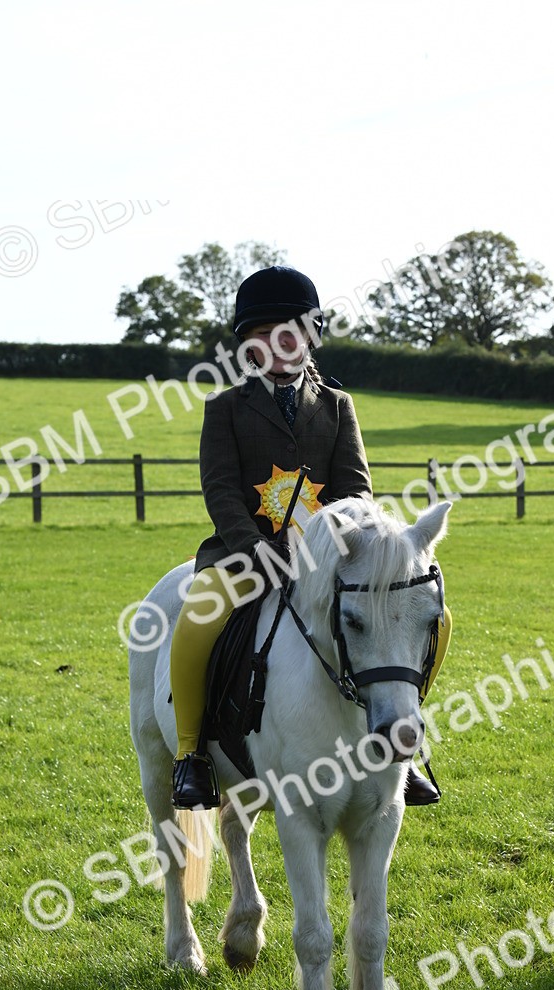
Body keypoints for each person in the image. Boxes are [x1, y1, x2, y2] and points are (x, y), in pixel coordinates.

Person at [169, 265, 450, 809]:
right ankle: (192, 757)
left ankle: (403, 739)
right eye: (263, 336)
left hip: (332, 555)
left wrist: (341, 541)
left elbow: (355, 486)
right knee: (199, 615)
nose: (279, 345)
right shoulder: (224, 409)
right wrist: (256, 547)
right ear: (248, 345)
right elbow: (221, 490)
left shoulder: (339, 407)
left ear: (310, 334)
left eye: (290, 332)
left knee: (432, 617)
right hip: (246, 553)